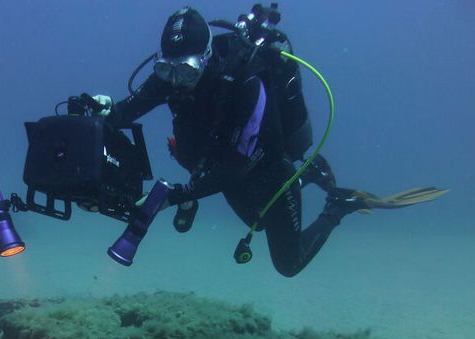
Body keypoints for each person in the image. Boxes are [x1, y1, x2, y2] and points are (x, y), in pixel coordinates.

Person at [98, 6, 445, 277]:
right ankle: (312, 173)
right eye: (166, 70)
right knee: (257, 221)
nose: (176, 81)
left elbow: (237, 165)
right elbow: (126, 111)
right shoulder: (170, 77)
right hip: (220, 166)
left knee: (288, 264)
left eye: (186, 71)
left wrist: (182, 195)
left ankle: (336, 206)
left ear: (204, 58)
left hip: (266, 167)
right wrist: (94, 113)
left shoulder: (246, 83)